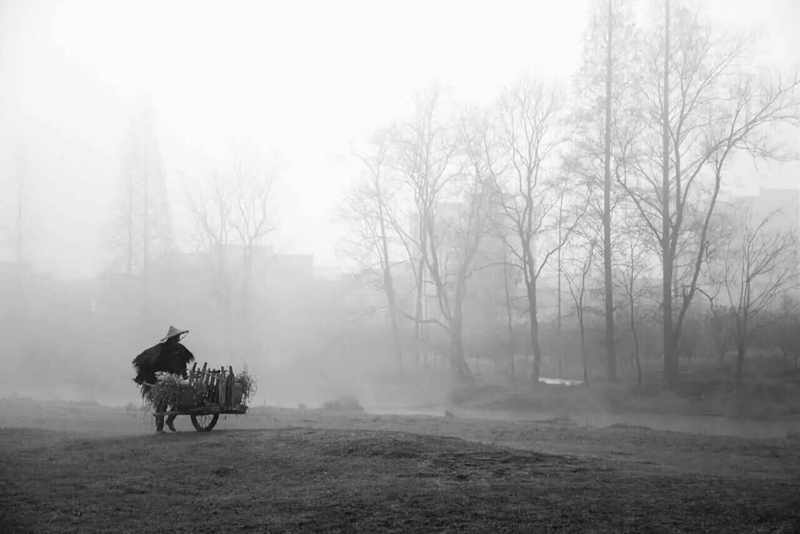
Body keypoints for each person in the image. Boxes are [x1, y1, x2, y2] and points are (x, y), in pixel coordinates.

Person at [132, 326, 196, 434]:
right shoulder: (160, 349)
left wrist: (185, 376)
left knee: (180, 399)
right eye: (176, 337)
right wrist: (141, 377)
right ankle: (159, 428)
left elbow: (183, 363)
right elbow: (148, 360)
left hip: (174, 380)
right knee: (161, 403)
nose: (178, 339)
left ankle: (170, 420)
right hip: (161, 379)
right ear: (171, 338)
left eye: (178, 337)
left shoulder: (180, 349)